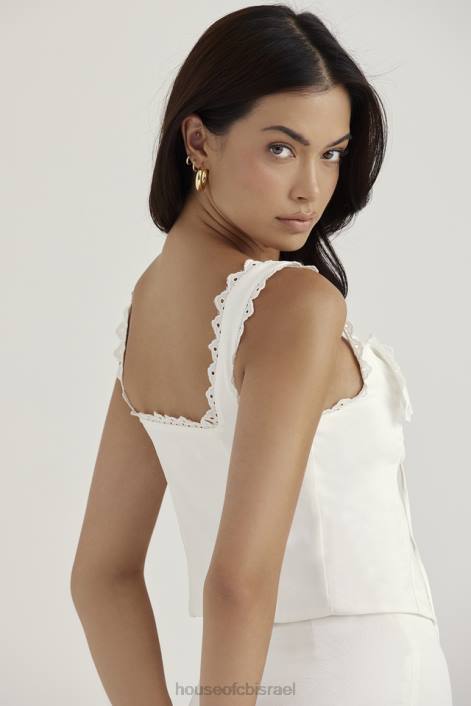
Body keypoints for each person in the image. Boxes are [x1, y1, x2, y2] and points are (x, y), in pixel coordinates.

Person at [70, 5, 454, 705]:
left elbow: (101, 576)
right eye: (281, 148)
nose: (311, 187)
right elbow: (237, 580)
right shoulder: (294, 302)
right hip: (363, 677)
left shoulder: (146, 312)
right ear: (199, 141)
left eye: (331, 153)